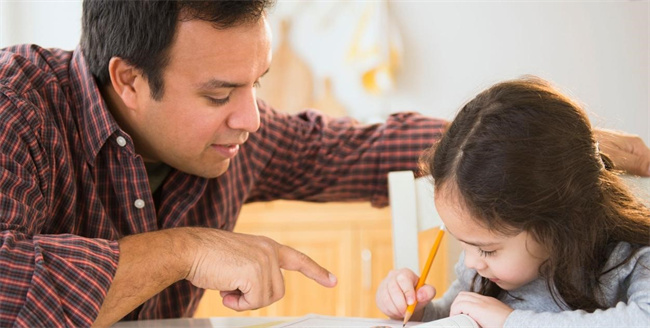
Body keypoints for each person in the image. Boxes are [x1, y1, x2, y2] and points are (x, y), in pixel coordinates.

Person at [0, 1, 647, 326]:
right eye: (220, 94)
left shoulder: (244, 137)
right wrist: (183, 251)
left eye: (257, 83)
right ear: (129, 81)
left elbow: (361, 147)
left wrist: (552, 147)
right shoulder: (16, 106)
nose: (252, 118)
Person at [375, 77, 650, 327]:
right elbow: (458, 317)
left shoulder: (632, 259)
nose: (470, 263)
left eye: (487, 251)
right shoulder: (484, 272)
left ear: (559, 220)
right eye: (463, 243)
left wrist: (511, 322)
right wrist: (419, 311)